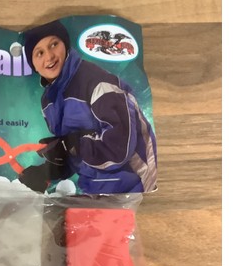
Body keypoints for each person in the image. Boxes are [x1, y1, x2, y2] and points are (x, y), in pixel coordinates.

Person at [17, 20, 157, 195]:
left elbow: (119, 148)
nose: (49, 56)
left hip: (136, 182)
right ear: (34, 66)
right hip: (95, 189)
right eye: (39, 53)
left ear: (65, 45)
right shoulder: (49, 103)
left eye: (54, 44)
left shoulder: (96, 82)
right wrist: (50, 170)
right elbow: (79, 155)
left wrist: (70, 145)